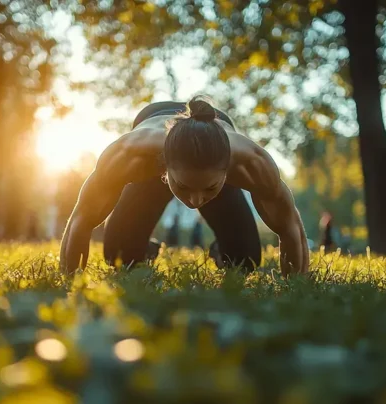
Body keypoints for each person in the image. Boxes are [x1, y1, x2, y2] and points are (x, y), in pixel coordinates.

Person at [59, 96, 309, 276]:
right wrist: (69, 280)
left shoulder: (251, 161)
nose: (195, 200)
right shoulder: (132, 154)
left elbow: (290, 226)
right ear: (166, 168)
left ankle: (220, 248)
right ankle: (147, 248)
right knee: (120, 257)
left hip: (212, 149)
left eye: (209, 189)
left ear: (228, 169)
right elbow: (81, 218)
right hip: (153, 139)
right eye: (184, 187)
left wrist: (297, 282)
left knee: (244, 263)